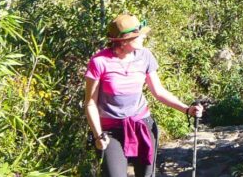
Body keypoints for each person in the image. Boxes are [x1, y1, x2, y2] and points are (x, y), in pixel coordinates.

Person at [84, 13, 203, 177]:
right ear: (124, 41)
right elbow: (90, 103)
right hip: (110, 131)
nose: (143, 37)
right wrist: (98, 136)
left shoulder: (145, 56)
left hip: (142, 125)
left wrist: (186, 109)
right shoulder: (100, 62)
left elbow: (158, 91)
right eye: (138, 35)